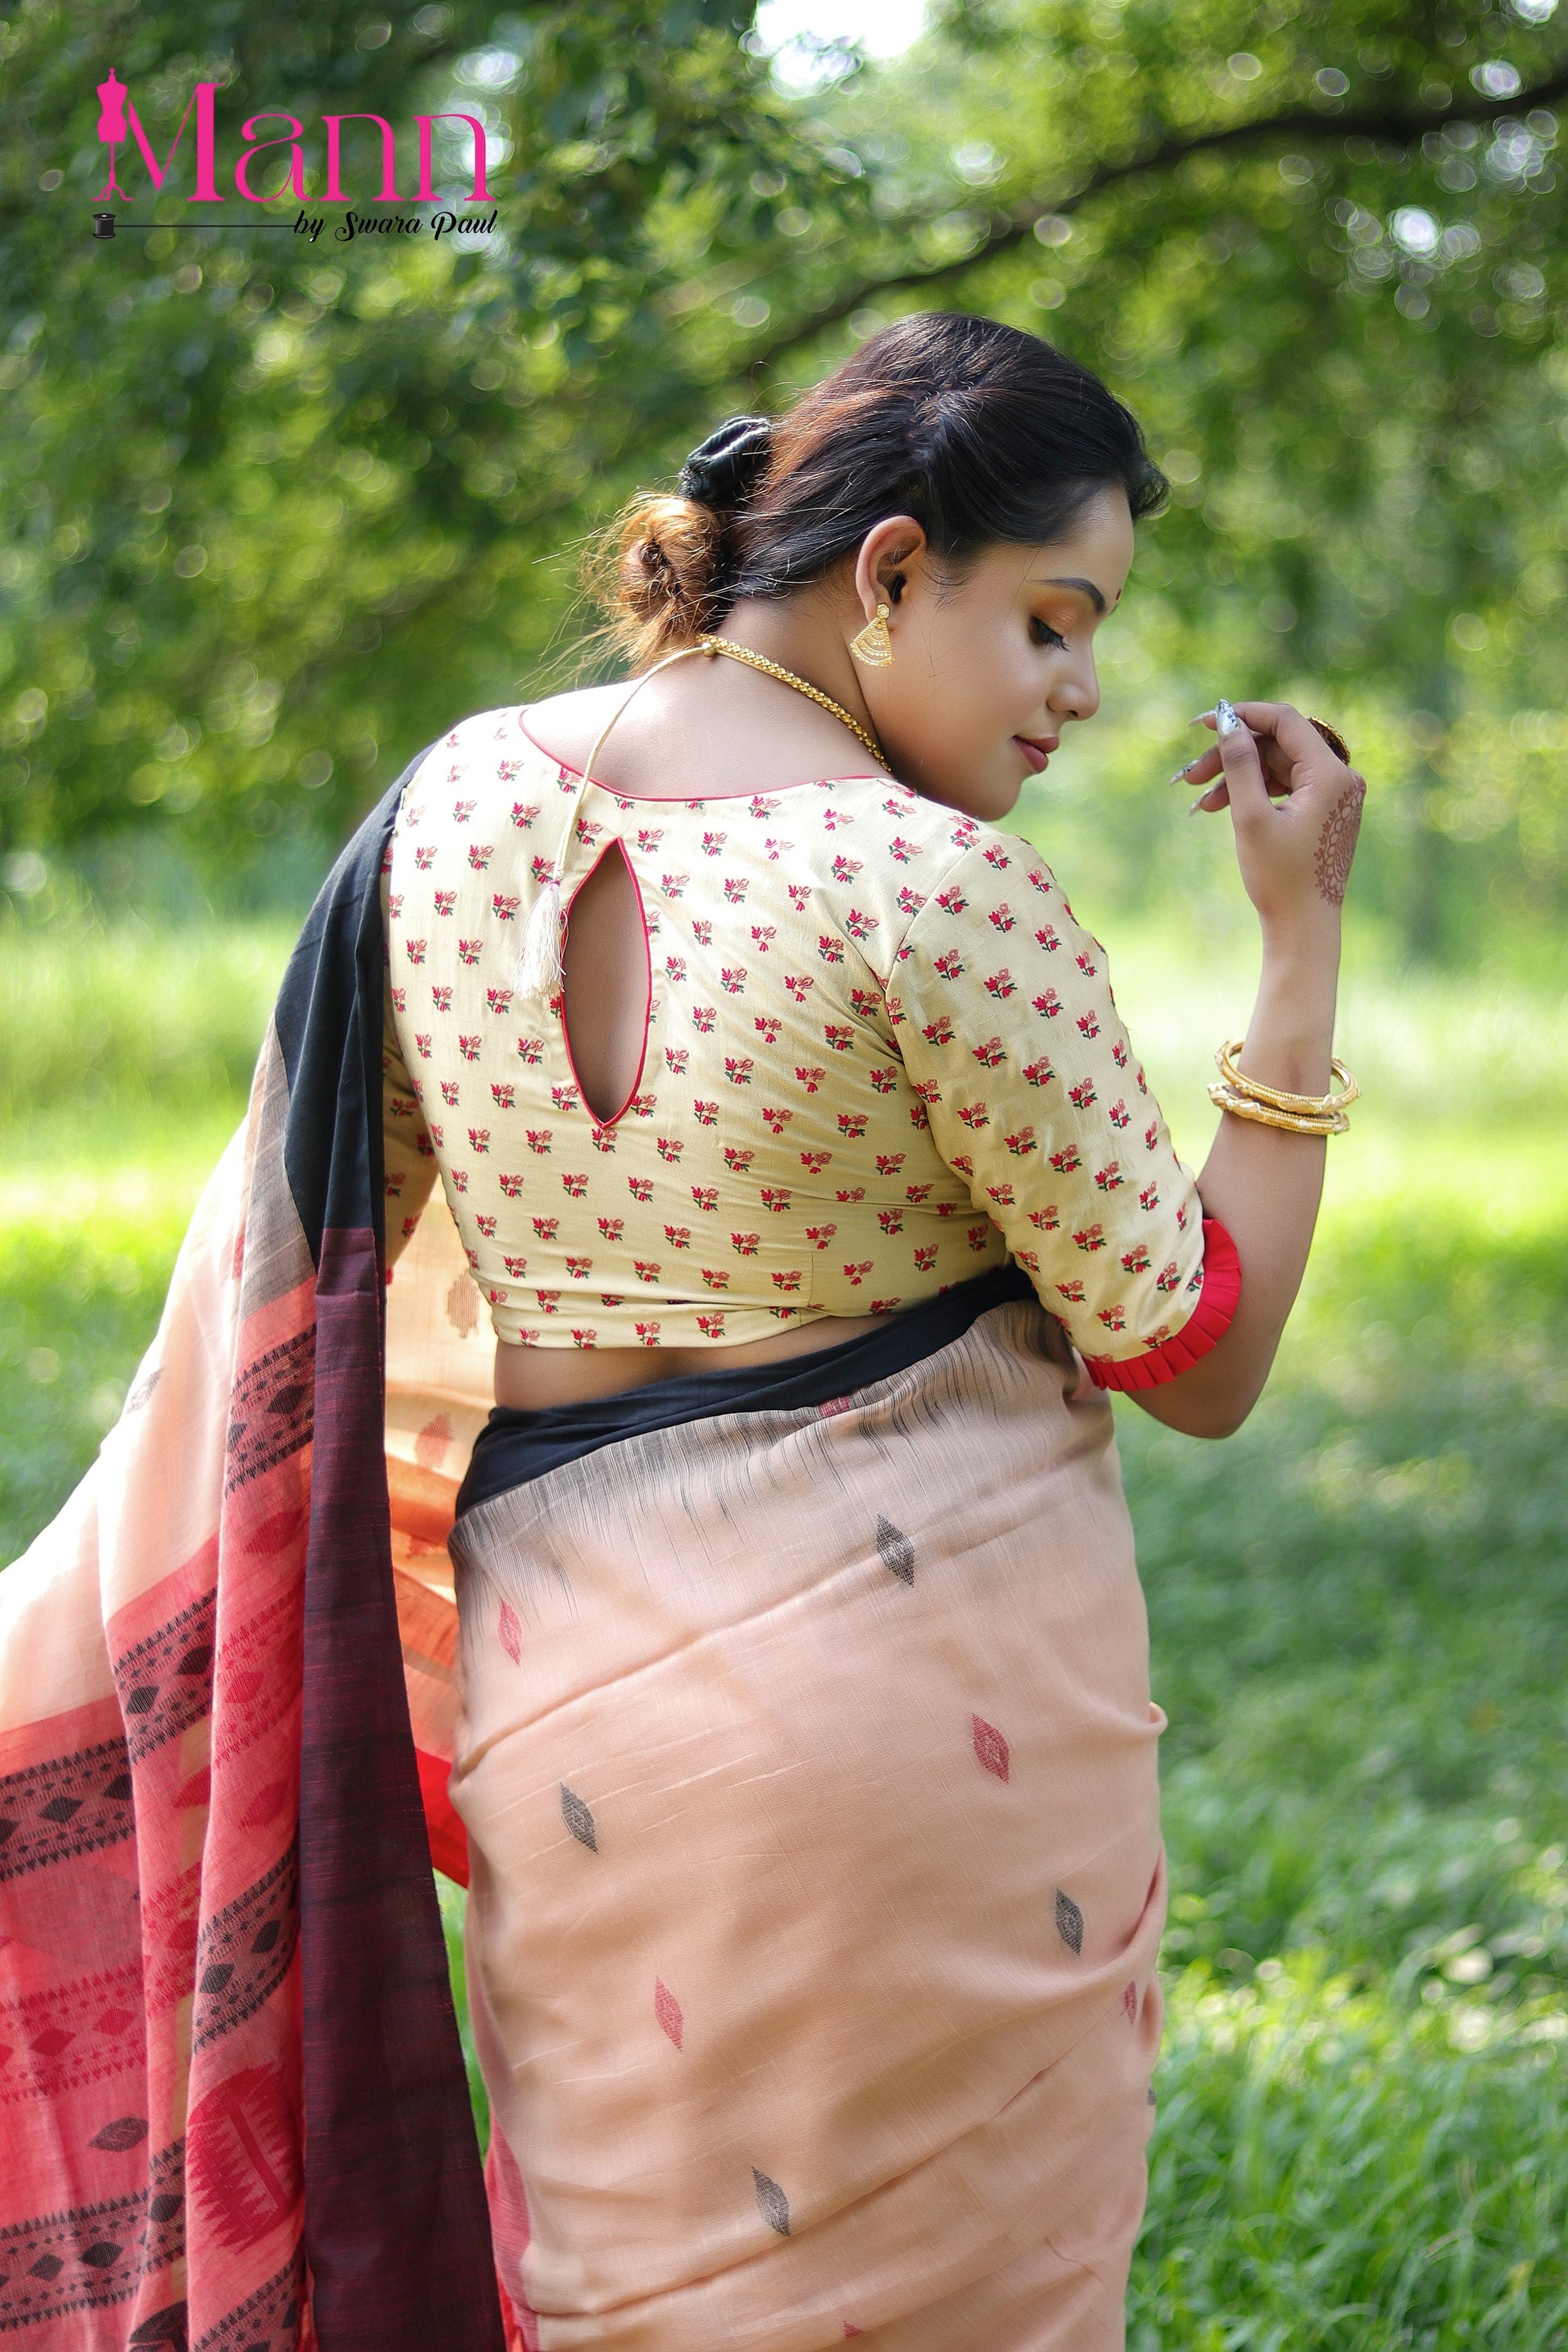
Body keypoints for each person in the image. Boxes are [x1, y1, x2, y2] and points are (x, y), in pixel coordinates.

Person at [375, 310, 1364, 2346]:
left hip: (566, 1706)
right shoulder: (931, 887)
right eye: (1050, 623)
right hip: (905, 1742)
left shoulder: (450, 801)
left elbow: (338, 1239)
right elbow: (1196, 1353)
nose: (1081, 691)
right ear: (893, 569)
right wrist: (1300, 940)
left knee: (630, 2284)